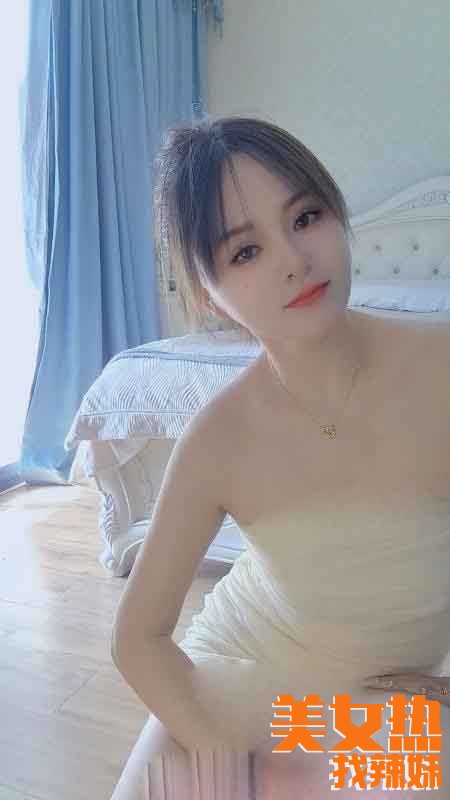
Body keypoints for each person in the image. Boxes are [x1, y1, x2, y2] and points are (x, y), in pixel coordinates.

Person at [109, 114, 450, 799]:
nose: (294, 259)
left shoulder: (438, 367)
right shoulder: (218, 436)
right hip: (240, 677)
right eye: (245, 252)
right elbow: (136, 640)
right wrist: (235, 764)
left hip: (385, 700)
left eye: (306, 217)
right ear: (208, 293)